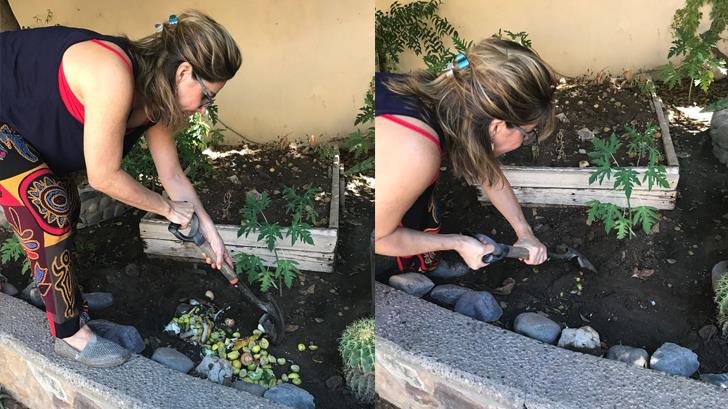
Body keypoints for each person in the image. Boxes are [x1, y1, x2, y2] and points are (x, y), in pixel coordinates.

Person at [0, 10, 241, 367]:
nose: (205, 110)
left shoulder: (157, 101)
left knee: (66, 201)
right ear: (184, 72)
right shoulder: (113, 75)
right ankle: (69, 335)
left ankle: (54, 295)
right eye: (207, 97)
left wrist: (208, 229)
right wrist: (168, 211)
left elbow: (172, 177)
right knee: (50, 208)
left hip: (24, 125)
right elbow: (104, 176)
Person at [375, 38, 556, 280]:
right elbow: (379, 237)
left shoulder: (451, 99)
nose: (526, 140)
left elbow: (487, 171)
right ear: (497, 127)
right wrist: (459, 243)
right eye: (527, 133)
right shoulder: (416, 155)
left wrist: (524, 232)